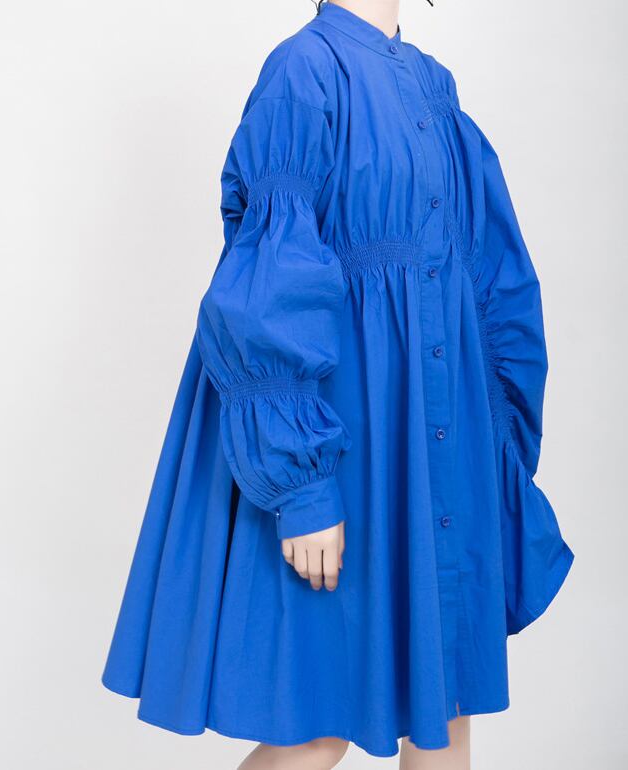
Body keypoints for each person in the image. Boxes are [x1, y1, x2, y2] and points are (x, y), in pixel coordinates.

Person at [102, 1, 575, 767]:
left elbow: (491, 281)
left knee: (447, 705)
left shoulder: (432, 84)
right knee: (318, 728)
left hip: (437, 442)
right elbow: (266, 286)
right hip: (345, 440)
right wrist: (304, 489)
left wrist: (497, 453)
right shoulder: (304, 69)